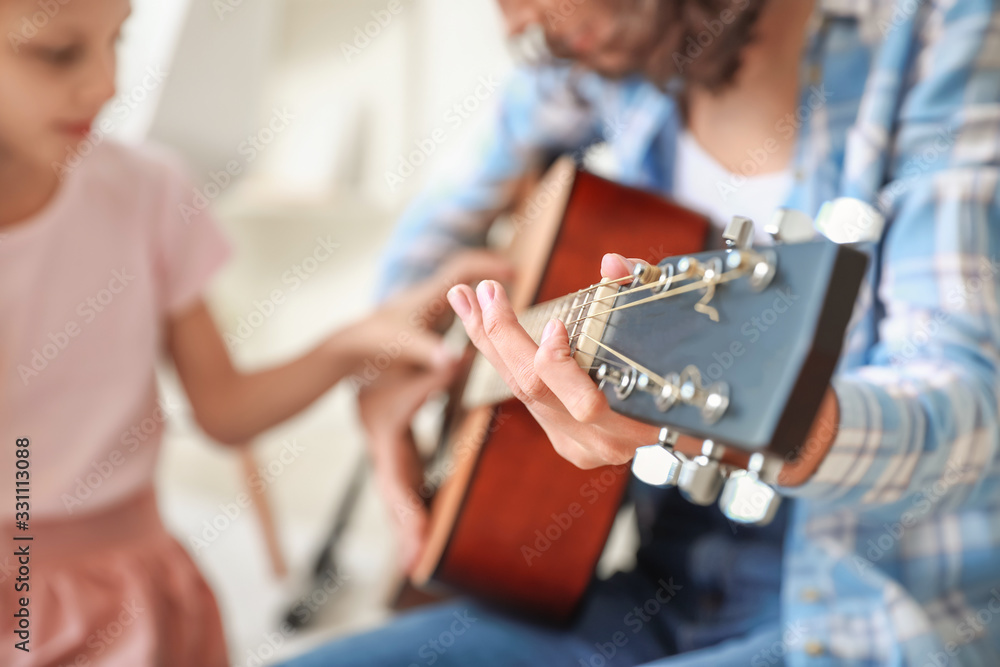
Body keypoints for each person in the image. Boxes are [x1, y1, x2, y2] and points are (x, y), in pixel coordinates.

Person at [284, 0, 1000, 664]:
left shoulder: (934, 35)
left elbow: (966, 409)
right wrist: (386, 379)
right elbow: (438, 224)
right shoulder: (602, 54)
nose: (519, 28)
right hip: (657, 586)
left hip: (856, 611)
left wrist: (781, 429)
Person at [0, 0, 508, 665]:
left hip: (136, 593)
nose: (106, 84)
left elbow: (226, 409)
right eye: (58, 53)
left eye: (117, 41)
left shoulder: (149, 190)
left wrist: (353, 342)